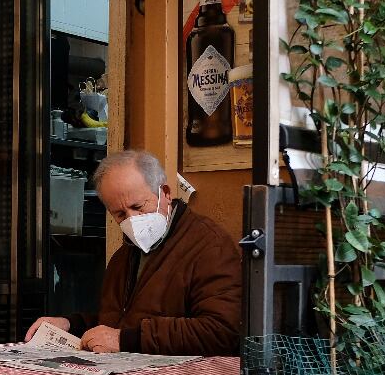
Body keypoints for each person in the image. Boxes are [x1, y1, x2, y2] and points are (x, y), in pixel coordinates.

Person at [27, 149, 241, 356]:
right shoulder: (124, 256)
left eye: (138, 206)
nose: (132, 219)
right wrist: (70, 325)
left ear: (165, 194)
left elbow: (221, 331)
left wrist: (126, 340)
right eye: (120, 214)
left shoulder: (209, 246)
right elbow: (117, 323)